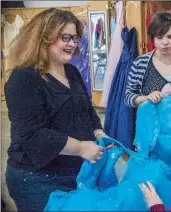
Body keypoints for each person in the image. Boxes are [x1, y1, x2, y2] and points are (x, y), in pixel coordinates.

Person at [4, 8, 109, 211]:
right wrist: (81, 147)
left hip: (74, 172)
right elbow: (32, 135)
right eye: (65, 37)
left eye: (75, 38)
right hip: (37, 179)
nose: (72, 44)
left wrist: (98, 131)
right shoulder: (24, 78)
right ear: (44, 38)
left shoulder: (72, 71)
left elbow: (86, 110)